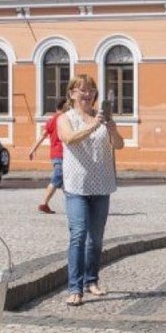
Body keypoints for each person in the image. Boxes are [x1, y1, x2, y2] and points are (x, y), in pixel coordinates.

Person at [57, 75, 123, 306]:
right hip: (76, 186)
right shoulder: (66, 118)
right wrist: (93, 125)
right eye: (82, 90)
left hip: (102, 184)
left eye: (91, 90)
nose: (87, 94)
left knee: (95, 239)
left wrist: (112, 130)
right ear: (72, 94)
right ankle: (75, 288)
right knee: (78, 235)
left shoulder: (102, 117)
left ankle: (91, 280)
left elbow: (119, 145)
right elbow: (69, 138)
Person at [28, 99, 68, 214]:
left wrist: (33, 149)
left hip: (60, 155)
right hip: (60, 154)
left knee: (67, 182)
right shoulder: (58, 119)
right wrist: (33, 149)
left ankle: (75, 206)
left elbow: (42, 135)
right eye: (68, 106)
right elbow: (43, 135)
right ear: (64, 107)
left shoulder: (54, 119)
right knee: (58, 177)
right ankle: (43, 203)